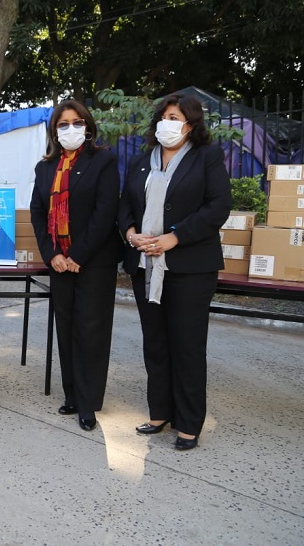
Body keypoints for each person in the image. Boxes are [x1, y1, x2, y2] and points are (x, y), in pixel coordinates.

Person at [119, 94, 232, 451]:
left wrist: (175, 237)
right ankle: (160, 413)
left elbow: (218, 206)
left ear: (191, 125)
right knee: (156, 343)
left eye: (177, 117)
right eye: (165, 116)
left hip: (189, 268)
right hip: (145, 266)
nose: (169, 123)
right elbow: (125, 206)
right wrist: (131, 233)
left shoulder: (206, 157)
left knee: (186, 346)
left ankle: (189, 424)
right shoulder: (141, 161)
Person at [30, 100, 122, 432]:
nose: (70, 129)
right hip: (59, 261)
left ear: (88, 126)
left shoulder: (103, 161)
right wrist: (52, 254)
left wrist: (76, 256)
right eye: (63, 124)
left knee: (91, 331)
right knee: (66, 329)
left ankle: (88, 403)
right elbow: (38, 214)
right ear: (55, 131)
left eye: (76, 122)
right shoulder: (45, 168)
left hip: (93, 261)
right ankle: (71, 395)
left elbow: (104, 212)